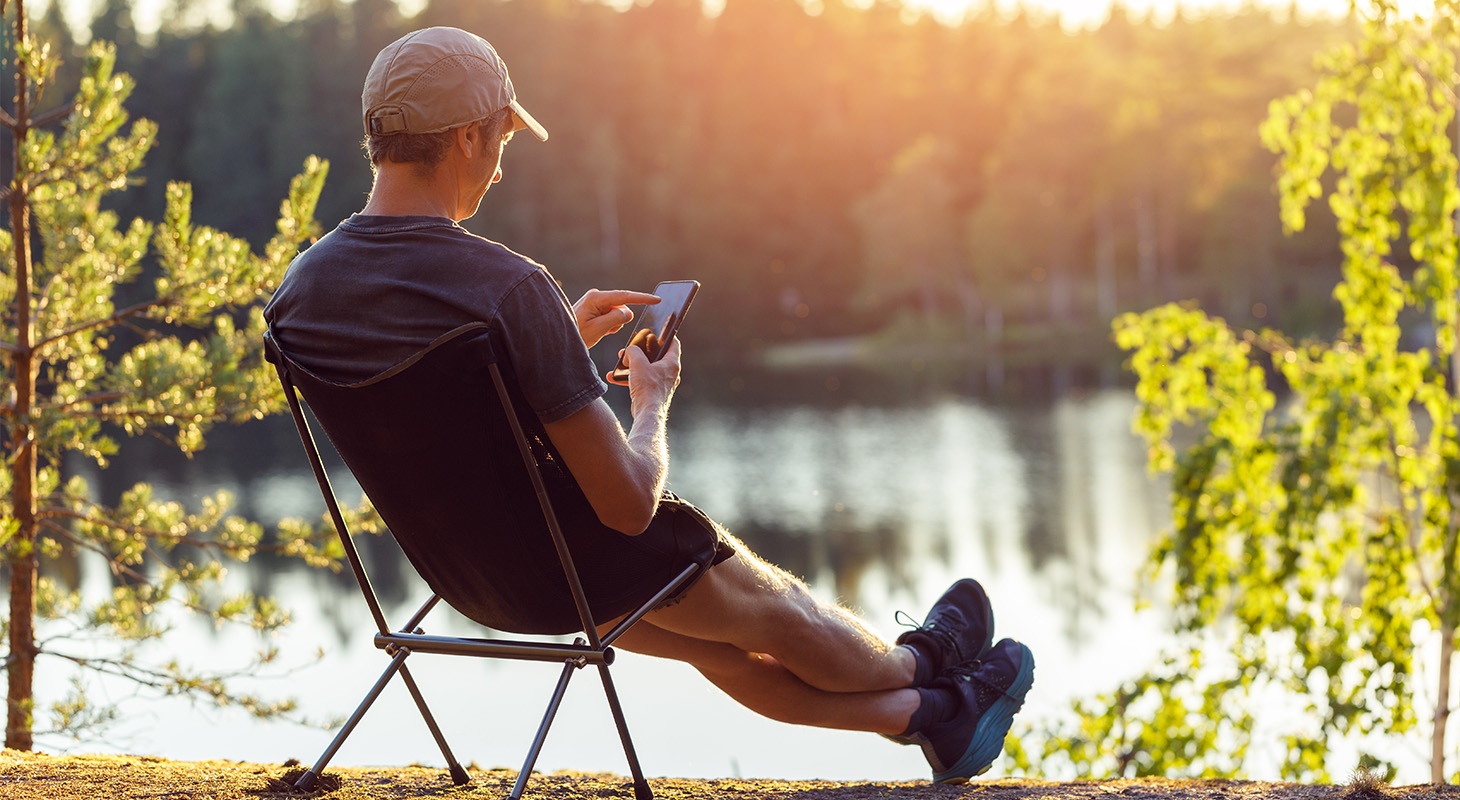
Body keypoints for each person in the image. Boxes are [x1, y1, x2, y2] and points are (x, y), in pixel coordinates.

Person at [263, 26, 1034, 783]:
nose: (498, 170)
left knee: (718, 646)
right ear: (467, 138)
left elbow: (441, 420)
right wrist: (651, 403)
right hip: (583, 567)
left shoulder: (300, 296)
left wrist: (555, 345)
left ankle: (935, 712)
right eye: (501, 139)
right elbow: (629, 507)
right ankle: (920, 663)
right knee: (780, 610)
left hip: (472, 583)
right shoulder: (506, 287)